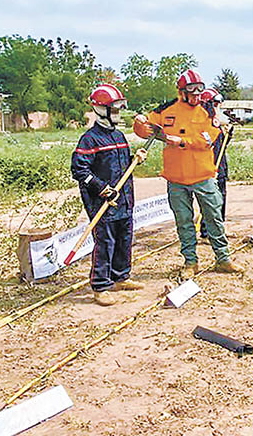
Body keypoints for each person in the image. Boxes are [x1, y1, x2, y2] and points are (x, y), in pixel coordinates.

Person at [134, 69, 240, 279]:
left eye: (199, 92)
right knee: (183, 221)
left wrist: (183, 142)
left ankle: (223, 258)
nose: (196, 96)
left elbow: (208, 140)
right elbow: (145, 130)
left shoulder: (208, 112)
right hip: (176, 178)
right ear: (181, 92)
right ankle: (190, 262)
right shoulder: (166, 110)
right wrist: (139, 124)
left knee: (213, 218)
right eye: (192, 92)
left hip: (203, 176)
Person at [71, 84, 147, 307]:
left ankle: (120, 276)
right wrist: (101, 188)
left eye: (118, 109)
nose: (118, 114)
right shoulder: (89, 139)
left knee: (125, 237)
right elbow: (79, 171)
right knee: (105, 241)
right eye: (114, 109)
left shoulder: (119, 135)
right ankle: (101, 285)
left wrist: (135, 157)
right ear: (100, 109)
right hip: (102, 201)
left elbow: (121, 164)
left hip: (123, 199)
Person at [202, 88, 230, 229]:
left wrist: (227, 134)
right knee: (210, 199)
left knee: (221, 196)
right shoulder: (203, 124)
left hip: (221, 164)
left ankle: (220, 227)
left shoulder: (216, 123)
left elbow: (222, 146)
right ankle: (207, 230)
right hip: (210, 167)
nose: (218, 108)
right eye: (216, 104)